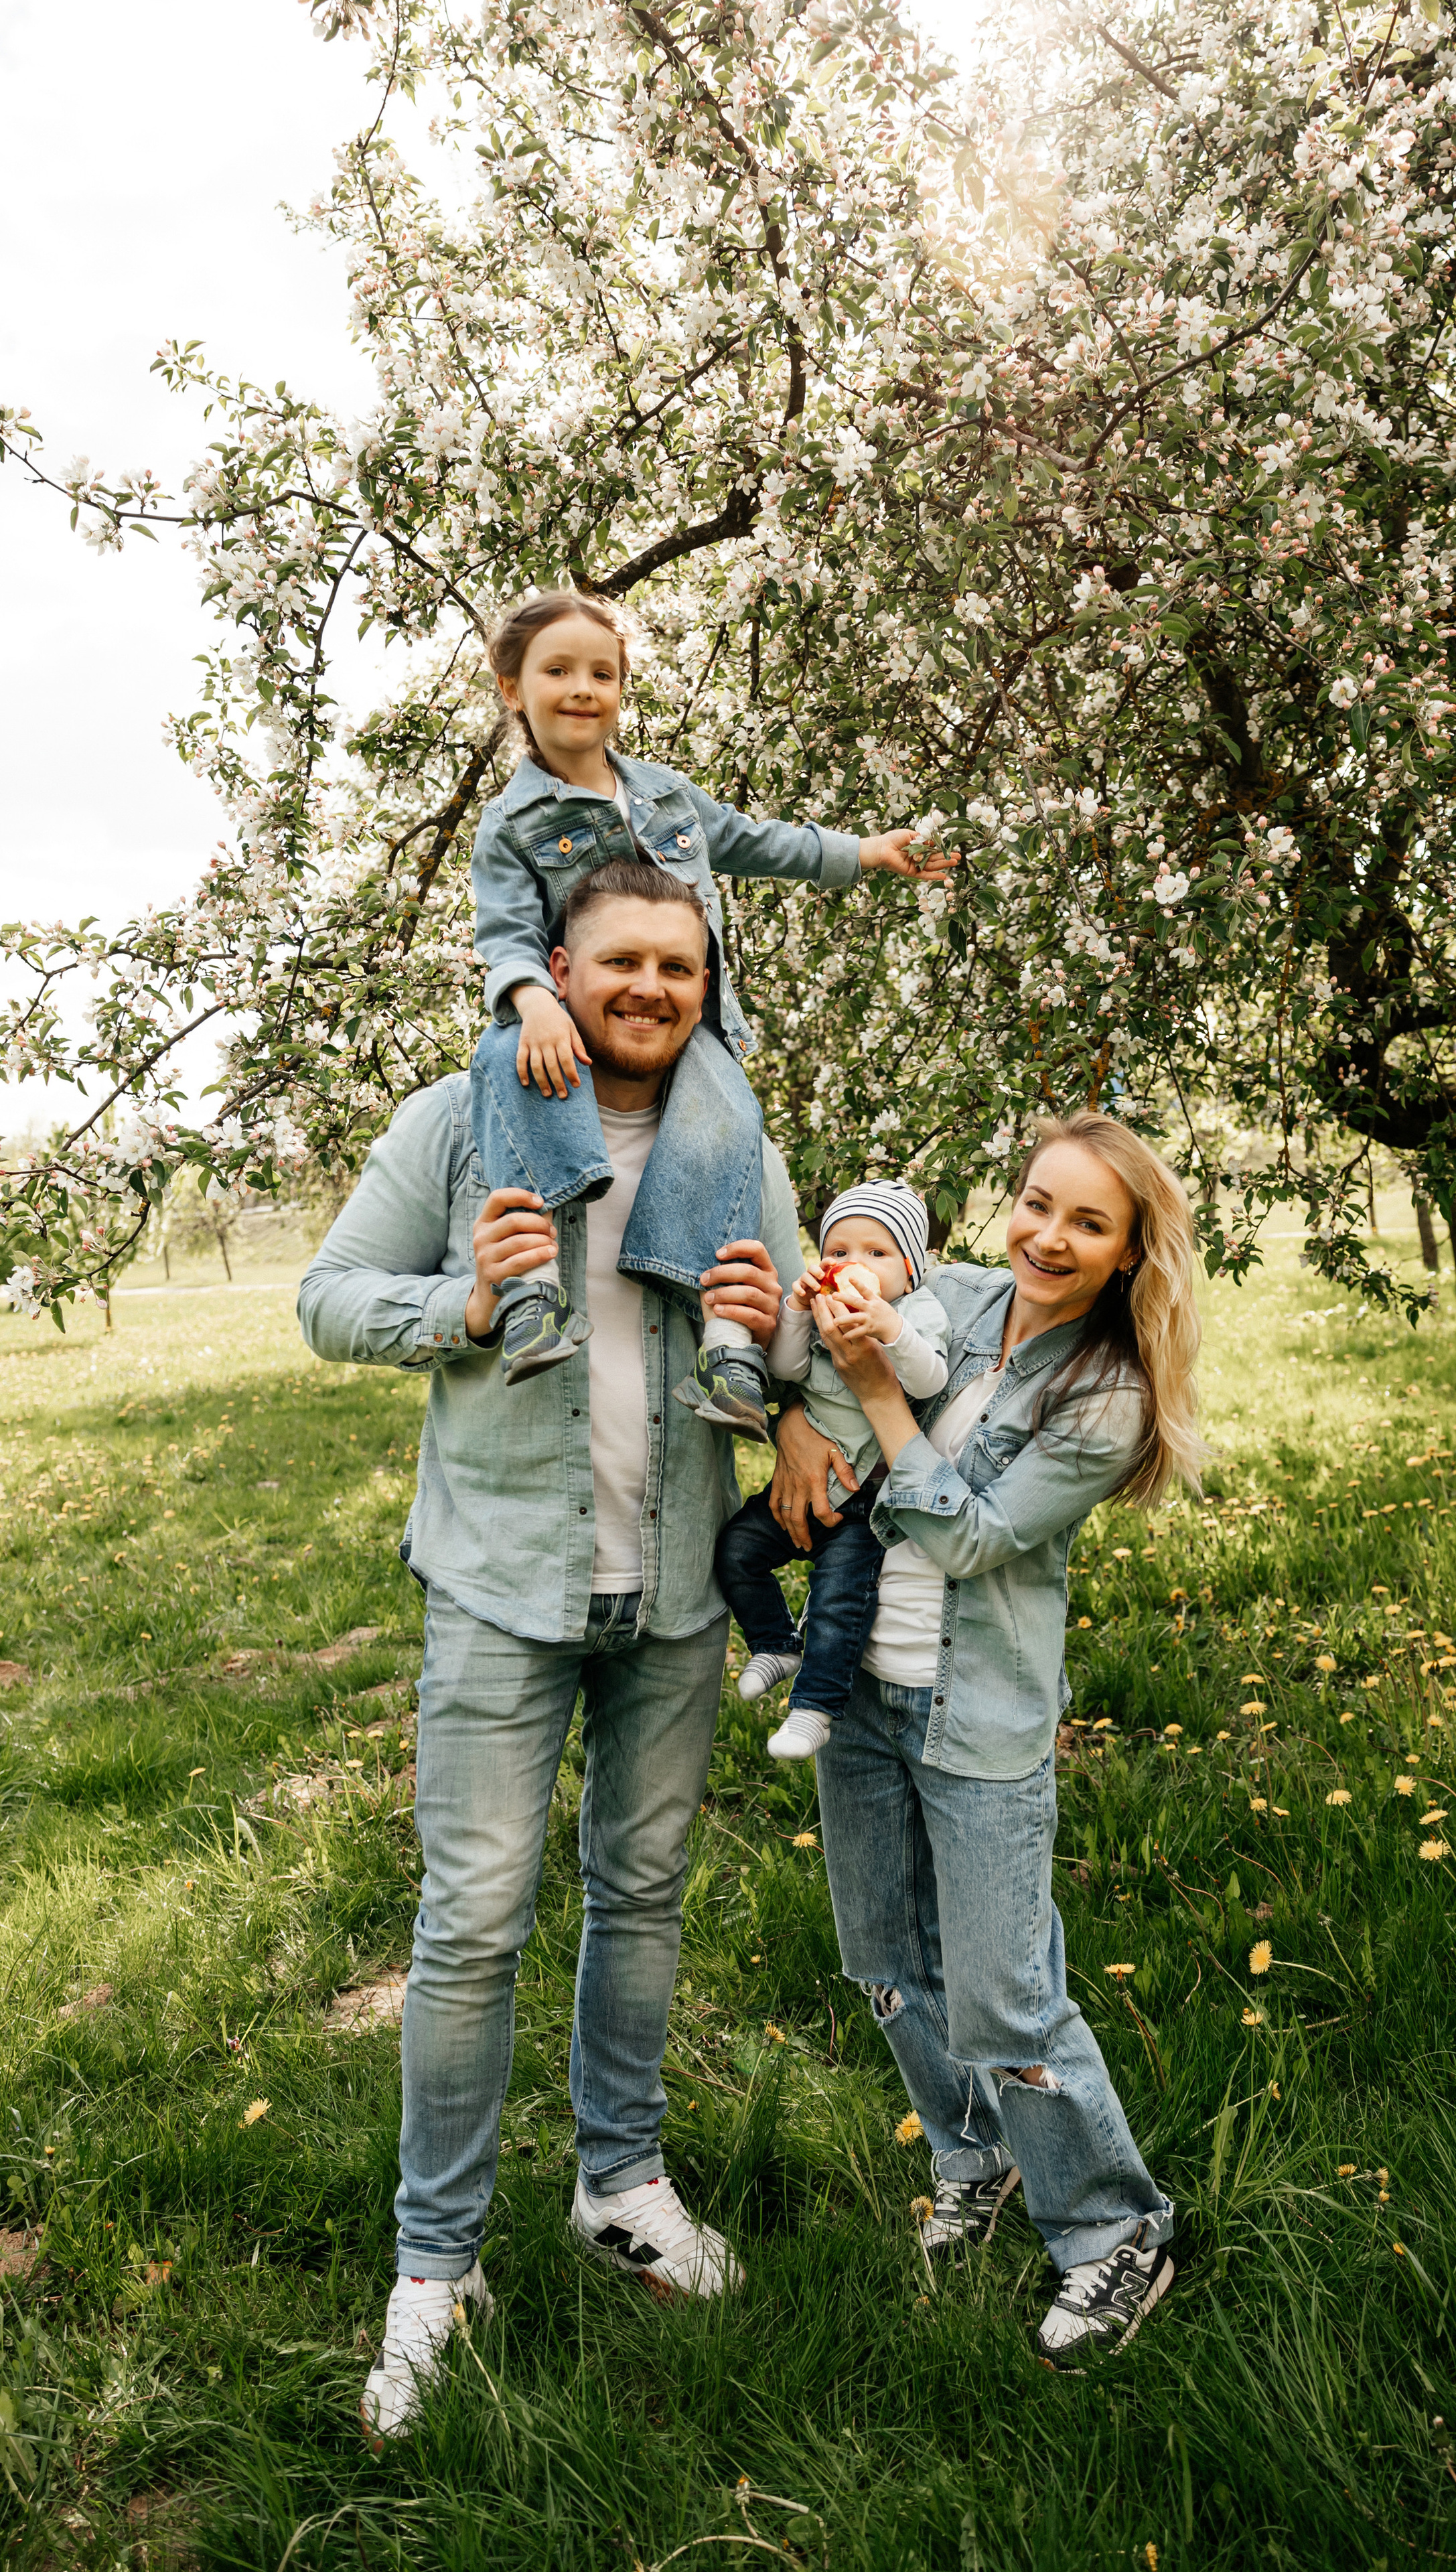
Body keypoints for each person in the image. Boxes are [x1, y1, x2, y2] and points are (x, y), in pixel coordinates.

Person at [297, 859, 803, 2443]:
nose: (650, 987)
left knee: (641, 1891)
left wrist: (772, 1329)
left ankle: (620, 2182)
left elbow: (800, 1342)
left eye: (678, 962)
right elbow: (326, 1298)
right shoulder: (462, 1123)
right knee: (472, 1922)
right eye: (619, 962)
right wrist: (463, 1303)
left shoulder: (732, 1147)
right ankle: (435, 2265)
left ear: (704, 980)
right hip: (502, 1583)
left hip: (665, 1590)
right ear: (555, 973)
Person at [804, 1113, 1206, 2361]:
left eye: (1090, 1223)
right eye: (1039, 1203)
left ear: (1131, 1254)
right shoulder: (958, 1296)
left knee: (1005, 2000)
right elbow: (824, 1338)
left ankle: (1116, 2232)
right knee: (882, 1962)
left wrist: (874, 1390)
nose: (1050, 1235)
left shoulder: (1108, 1398)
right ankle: (977, 2157)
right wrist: (806, 1378)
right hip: (860, 1691)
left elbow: (969, 1535)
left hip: (975, 1713)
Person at [465, 587, 956, 1419]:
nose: (583, 687)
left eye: (602, 673)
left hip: (686, 1026)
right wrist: (532, 1000)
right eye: (557, 670)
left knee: (729, 1119)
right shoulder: (512, 824)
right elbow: (506, 930)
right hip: (568, 1020)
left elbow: (761, 843)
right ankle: (530, 1296)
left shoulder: (666, 795)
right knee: (504, 1061)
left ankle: (728, 1351)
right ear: (513, 688)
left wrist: (863, 853)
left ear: (621, 691)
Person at [716, 1181, 950, 1762]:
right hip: (798, 1480)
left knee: (838, 1604)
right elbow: (787, 1367)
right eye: (838, 1251)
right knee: (736, 1551)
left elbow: (930, 1380)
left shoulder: (915, 1313)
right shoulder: (822, 1309)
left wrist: (887, 1329)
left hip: (860, 1501)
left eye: (877, 1253)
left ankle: (814, 1709)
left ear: (910, 1269)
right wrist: (796, 1309)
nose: (853, 1264)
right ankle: (774, 1643)